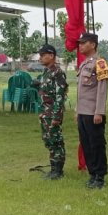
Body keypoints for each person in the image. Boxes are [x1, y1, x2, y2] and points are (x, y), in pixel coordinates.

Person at [76, 32, 108, 189]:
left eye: (84, 43)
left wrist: (99, 112)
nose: (80, 46)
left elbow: (102, 90)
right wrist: (78, 111)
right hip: (83, 112)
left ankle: (100, 176)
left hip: (93, 112)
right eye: (80, 43)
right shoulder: (84, 63)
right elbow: (81, 90)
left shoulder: (100, 63)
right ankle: (92, 173)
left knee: (96, 144)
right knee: (86, 144)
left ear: (93, 44)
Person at [35, 44, 68, 180]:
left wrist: (56, 116)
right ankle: (53, 168)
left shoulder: (57, 73)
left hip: (52, 112)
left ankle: (58, 171)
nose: (40, 58)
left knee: (56, 141)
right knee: (48, 140)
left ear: (52, 56)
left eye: (43, 55)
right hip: (45, 112)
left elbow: (60, 96)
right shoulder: (46, 72)